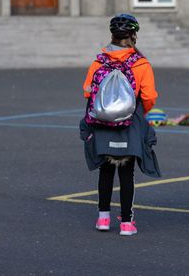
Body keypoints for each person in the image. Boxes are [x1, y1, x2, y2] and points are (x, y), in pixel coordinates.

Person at [79, 13, 160, 236]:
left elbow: (87, 91)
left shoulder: (98, 62)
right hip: (129, 124)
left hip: (102, 123)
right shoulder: (141, 64)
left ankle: (103, 219)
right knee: (127, 173)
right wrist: (137, 112)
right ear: (134, 35)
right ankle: (126, 223)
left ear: (112, 35)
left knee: (105, 171)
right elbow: (150, 96)